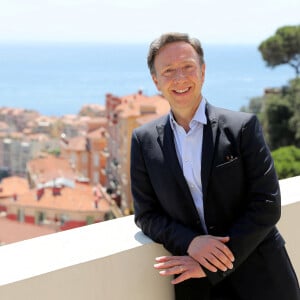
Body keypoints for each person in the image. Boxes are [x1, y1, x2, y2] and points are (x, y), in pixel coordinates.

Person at [130, 32, 300, 300]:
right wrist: (190, 242)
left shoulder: (242, 128)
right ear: (156, 80)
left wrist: (211, 265)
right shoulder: (143, 141)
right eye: (169, 70)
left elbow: (266, 204)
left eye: (188, 67)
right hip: (195, 286)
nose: (180, 78)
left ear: (203, 71)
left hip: (262, 278)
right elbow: (146, 214)